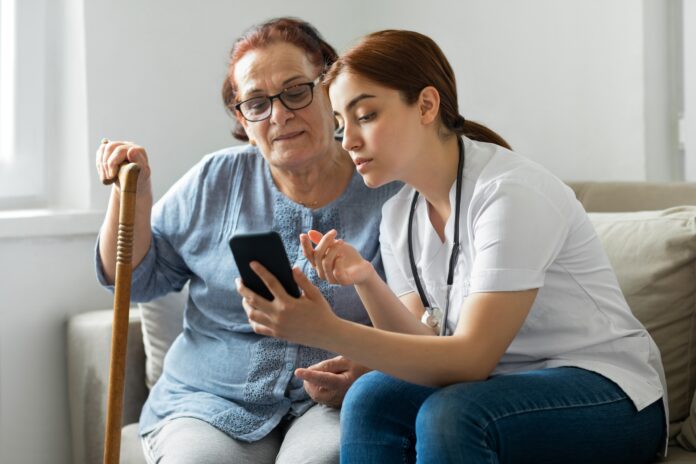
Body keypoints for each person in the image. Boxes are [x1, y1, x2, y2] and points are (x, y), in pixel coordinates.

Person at [236, 30, 669, 463]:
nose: (347, 141)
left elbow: (470, 361)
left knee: (450, 415)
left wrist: (324, 328)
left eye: (364, 116)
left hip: (608, 394)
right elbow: (419, 343)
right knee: (370, 394)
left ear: (426, 105)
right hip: (496, 388)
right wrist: (366, 280)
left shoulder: (511, 192)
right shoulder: (399, 213)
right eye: (340, 124)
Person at [94, 18, 400, 464]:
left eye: (296, 91)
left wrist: (373, 370)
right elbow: (135, 282)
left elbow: (431, 321)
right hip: (209, 402)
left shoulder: (389, 187)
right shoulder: (215, 179)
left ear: (329, 88)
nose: (279, 115)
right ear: (242, 118)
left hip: (333, 401)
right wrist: (131, 198)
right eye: (256, 103)